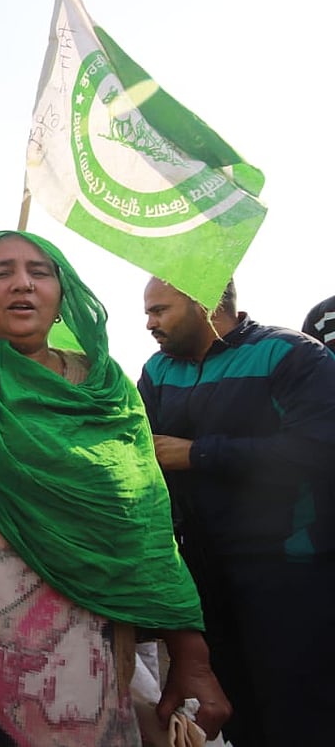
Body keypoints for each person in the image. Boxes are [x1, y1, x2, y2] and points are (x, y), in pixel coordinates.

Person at [0, 55, 230, 746]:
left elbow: (145, 527)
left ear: (63, 295)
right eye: (1, 272)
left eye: (39, 271)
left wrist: (193, 655)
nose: (22, 283)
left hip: (79, 674)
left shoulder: (106, 391)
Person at [140, 277, 335, 745]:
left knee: (299, 712)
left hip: (290, 572)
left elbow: (319, 450)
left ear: (204, 303)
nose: (149, 324)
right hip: (206, 576)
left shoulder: (291, 354)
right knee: (239, 716)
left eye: (160, 310)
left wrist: (197, 454)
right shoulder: (157, 371)